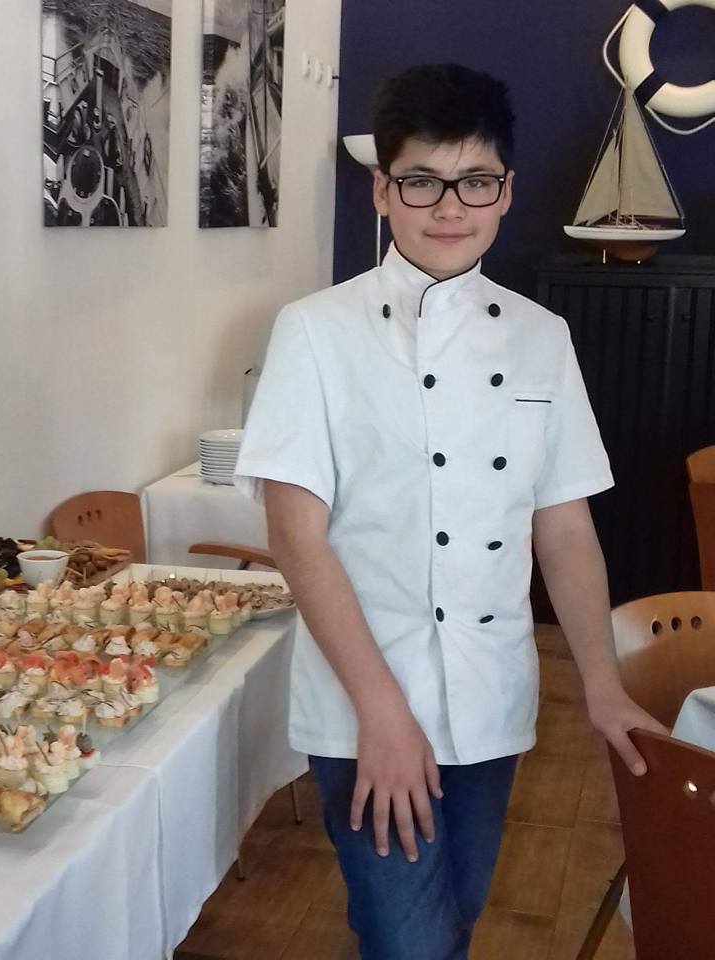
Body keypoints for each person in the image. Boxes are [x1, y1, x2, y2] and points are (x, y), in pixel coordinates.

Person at [233, 63, 665, 960]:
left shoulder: (543, 338)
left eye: (474, 181)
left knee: (449, 924)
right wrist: (383, 713)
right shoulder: (314, 331)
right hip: (362, 695)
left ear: (504, 190)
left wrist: (601, 683)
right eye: (421, 181)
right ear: (382, 190)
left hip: (490, 693)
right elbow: (296, 537)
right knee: (413, 942)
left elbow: (564, 527)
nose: (449, 207)